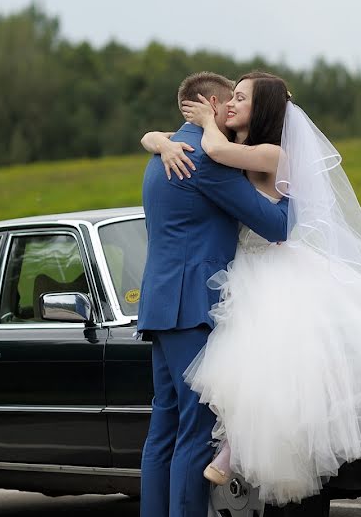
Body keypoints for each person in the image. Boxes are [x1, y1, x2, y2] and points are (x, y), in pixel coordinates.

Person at [153, 71, 361, 506]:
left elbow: (217, 153)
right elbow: (211, 154)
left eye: (240, 98)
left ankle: (237, 453)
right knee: (248, 370)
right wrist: (157, 139)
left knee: (269, 367)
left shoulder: (267, 152)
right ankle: (236, 451)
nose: (231, 105)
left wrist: (199, 125)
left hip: (269, 265)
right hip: (245, 272)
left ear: (265, 109)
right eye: (228, 97)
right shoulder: (237, 153)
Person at [137, 71, 290, 517]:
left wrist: (158, 140)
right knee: (195, 430)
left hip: (160, 304)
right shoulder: (205, 160)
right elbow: (276, 225)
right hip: (192, 307)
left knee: (163, 428)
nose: (230, 111)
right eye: (228, 104)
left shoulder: (164, 152)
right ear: (209, 103)